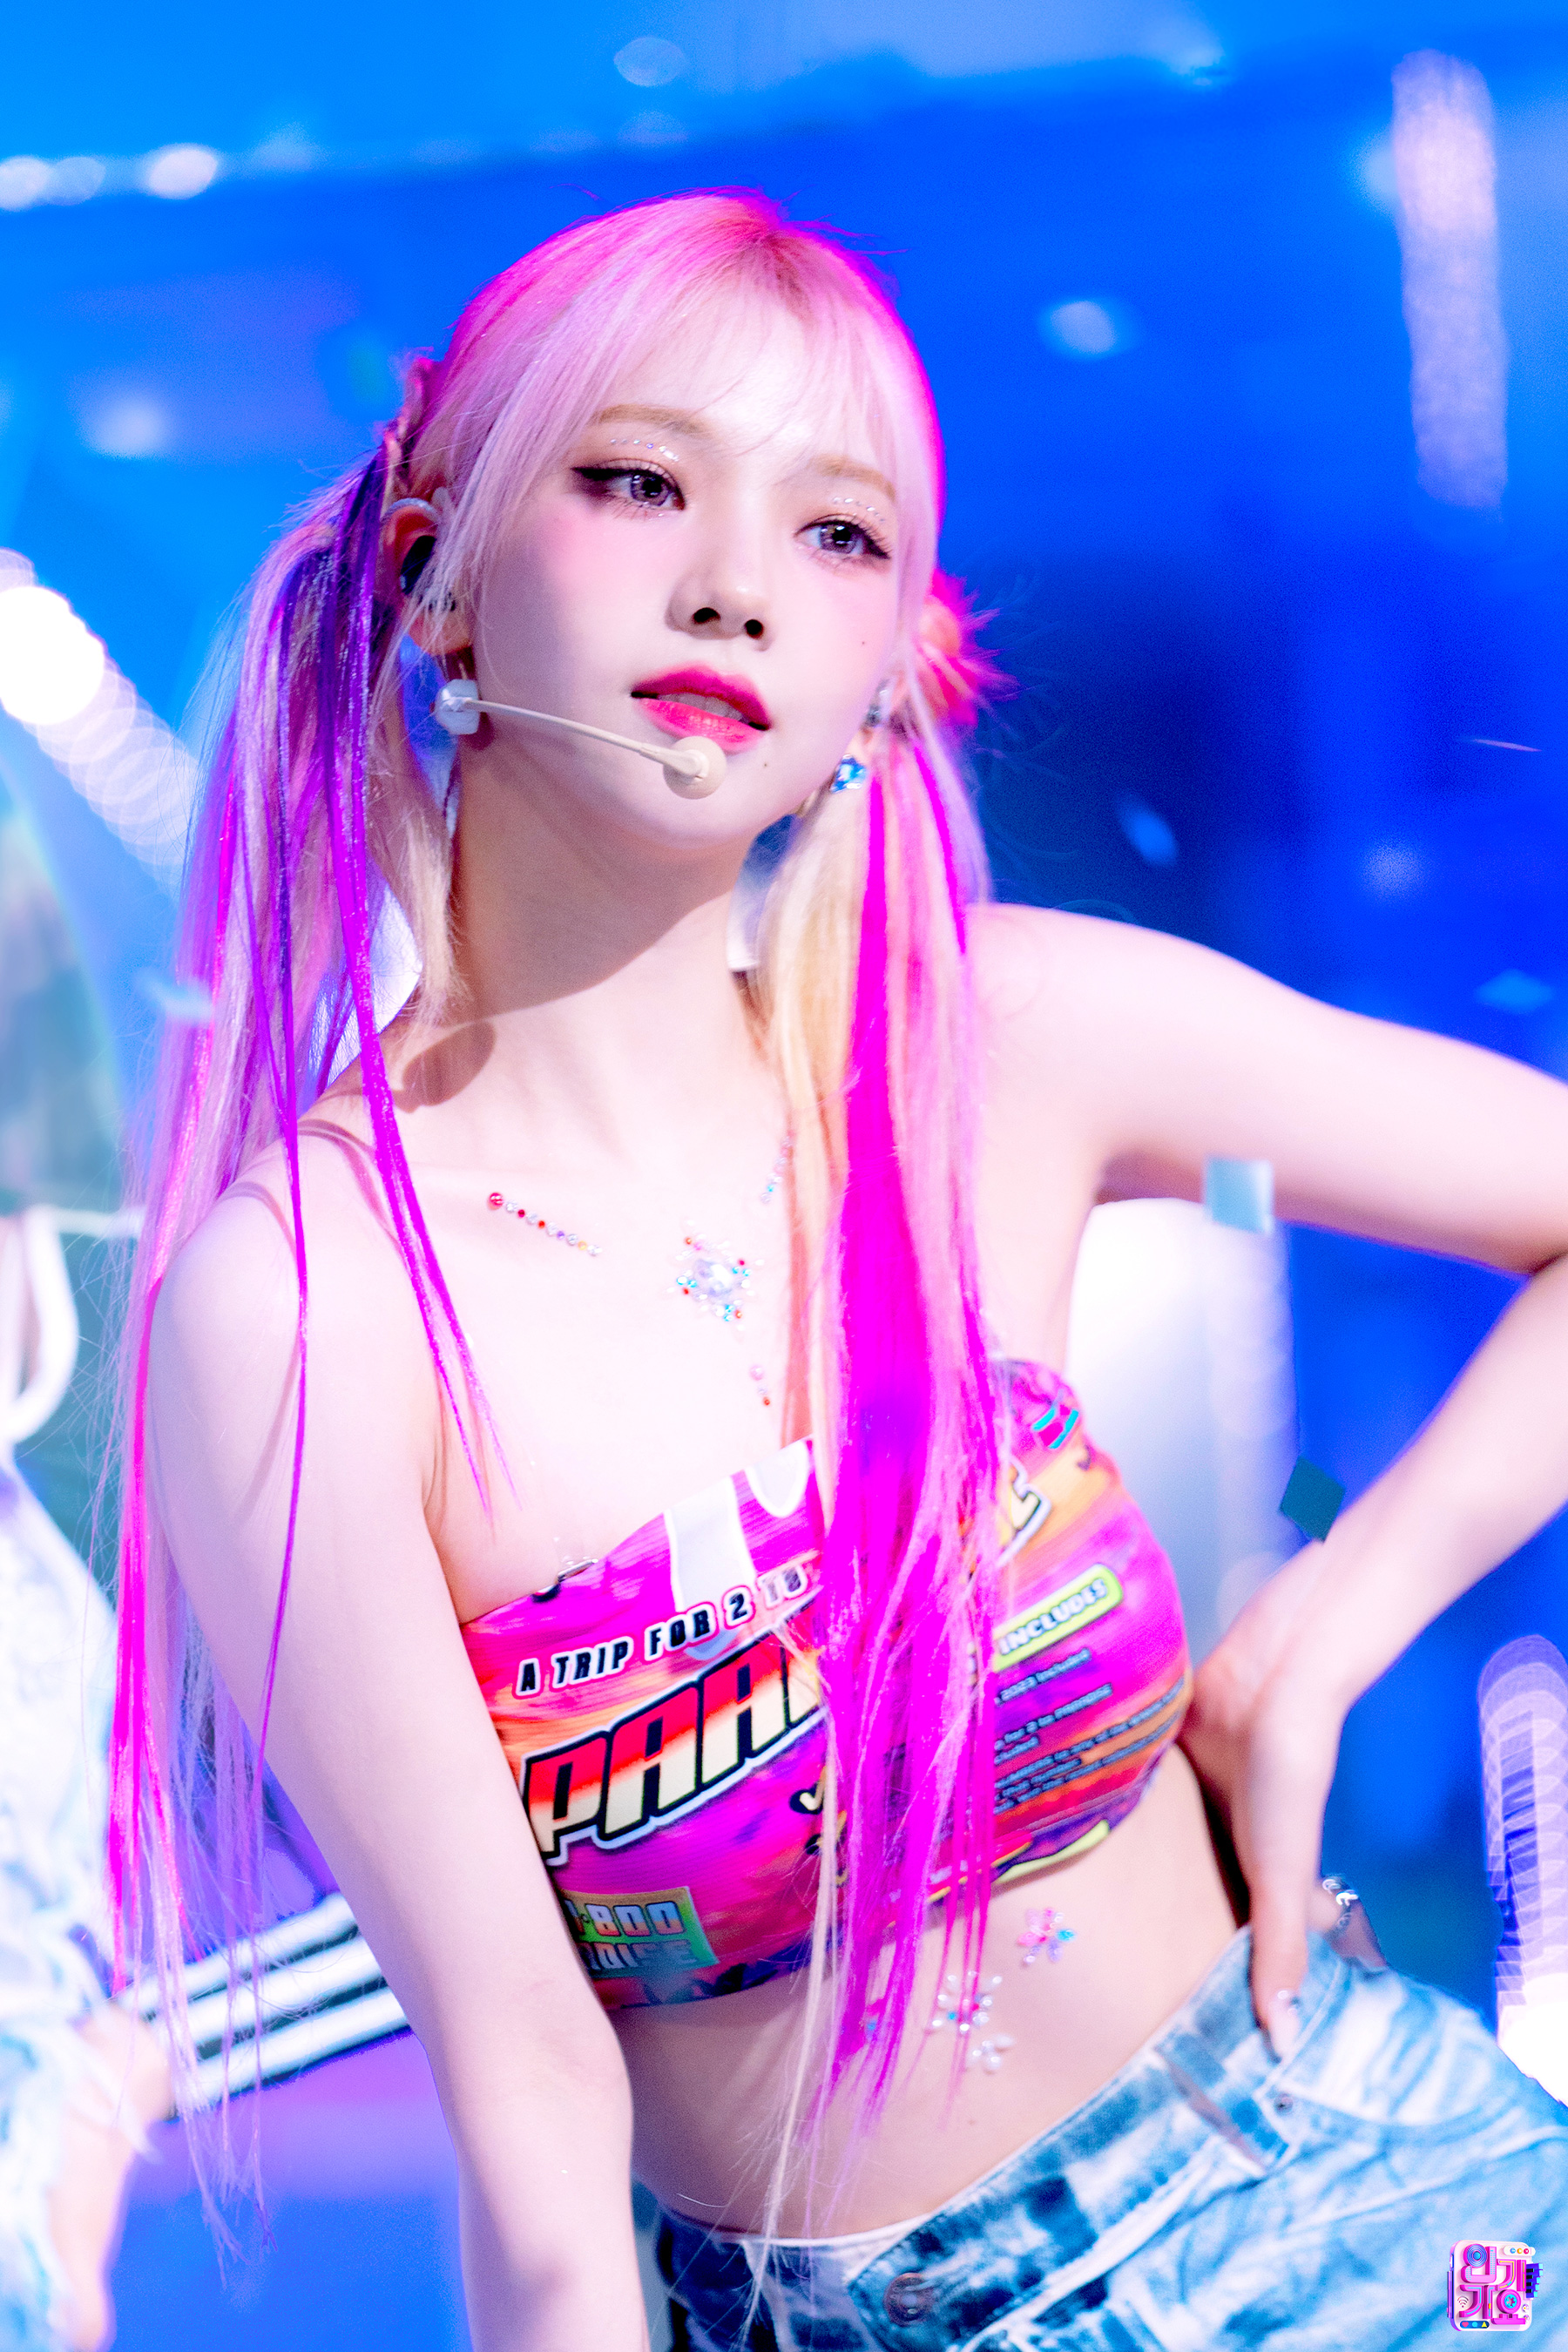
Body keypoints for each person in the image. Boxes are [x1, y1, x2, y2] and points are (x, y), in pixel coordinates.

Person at [113, 191, 1568, 2352]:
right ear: (437, 566)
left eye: (836, 532)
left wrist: (1318, 1642)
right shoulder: (304, 1306)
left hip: (1415, 2220)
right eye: (638, 481)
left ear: (889, 671)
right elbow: (533, 2114)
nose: (735, 583)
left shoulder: (998, 1042)